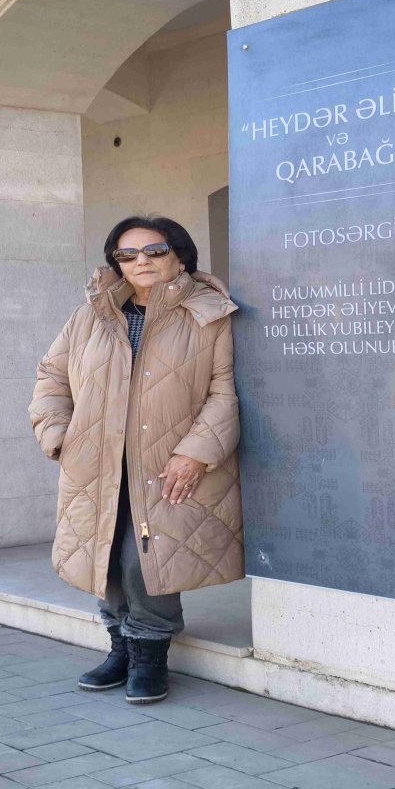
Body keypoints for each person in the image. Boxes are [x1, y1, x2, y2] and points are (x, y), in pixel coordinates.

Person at [30, 216, 243, 704]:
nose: (140, 262)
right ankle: (120, 649)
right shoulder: (89, 316)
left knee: (146, 561)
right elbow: (51, 377)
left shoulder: (211, 314)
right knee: (104, 556)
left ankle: (150, 655)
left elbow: (224, 391)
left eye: (153, 250)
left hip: (167, 463)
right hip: (97, 463)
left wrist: (196, 454)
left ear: (180, 255)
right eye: (127, 255)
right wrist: (61, 438)